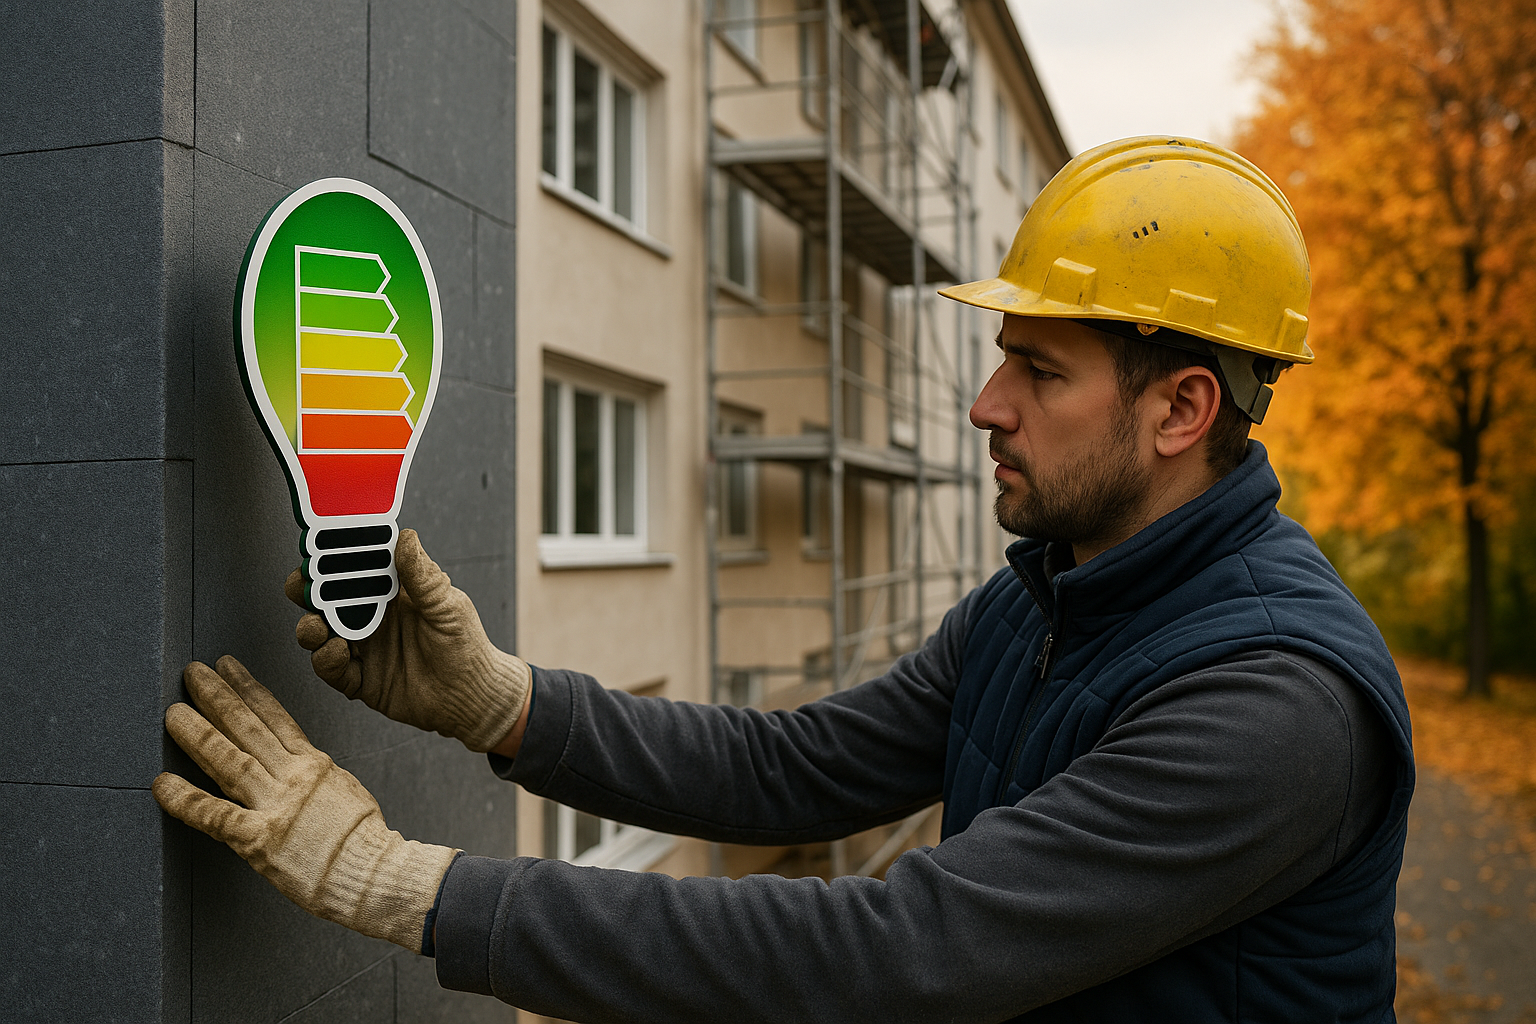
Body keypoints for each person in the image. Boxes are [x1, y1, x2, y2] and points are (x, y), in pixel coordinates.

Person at [154, 137, 1414, 1023]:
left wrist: (400, 883)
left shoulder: (1272, 706)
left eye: (1039, 369)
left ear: (1182, 407)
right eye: (1001, 360)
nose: (986, 404)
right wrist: (504, 700)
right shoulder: (1050, 594)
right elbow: (795, 769)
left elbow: (903, 952)